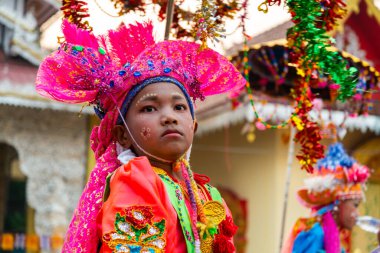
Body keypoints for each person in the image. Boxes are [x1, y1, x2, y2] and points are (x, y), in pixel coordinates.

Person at [36, 20, 246, 253]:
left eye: (179, 107)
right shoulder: (135, 180)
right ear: (122, 135)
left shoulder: (205, 193)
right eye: (149, 108)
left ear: (193, 126)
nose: (169, 117)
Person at [281, 142, 371, 253]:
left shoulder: (332, 237)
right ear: (337, 203)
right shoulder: (315, 233)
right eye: (355, 205)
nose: (357, 213)